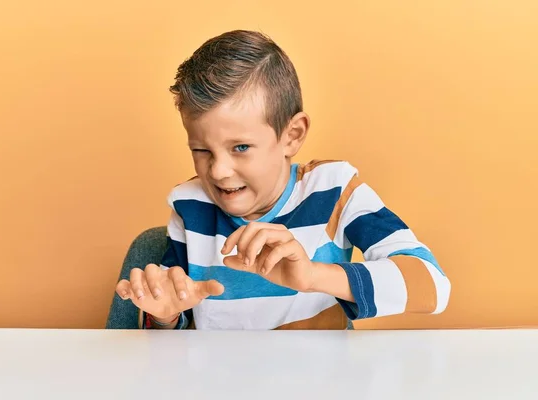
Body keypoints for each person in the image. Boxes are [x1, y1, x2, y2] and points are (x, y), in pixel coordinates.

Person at [116, 30, 451, 330]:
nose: (218, 171)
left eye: (241, 147)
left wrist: (311, 276)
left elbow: (433, 285)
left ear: (292, 135)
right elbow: (174, 332)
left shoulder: (335, 191)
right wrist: (166, 316)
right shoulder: (191, 205)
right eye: (202, 150)